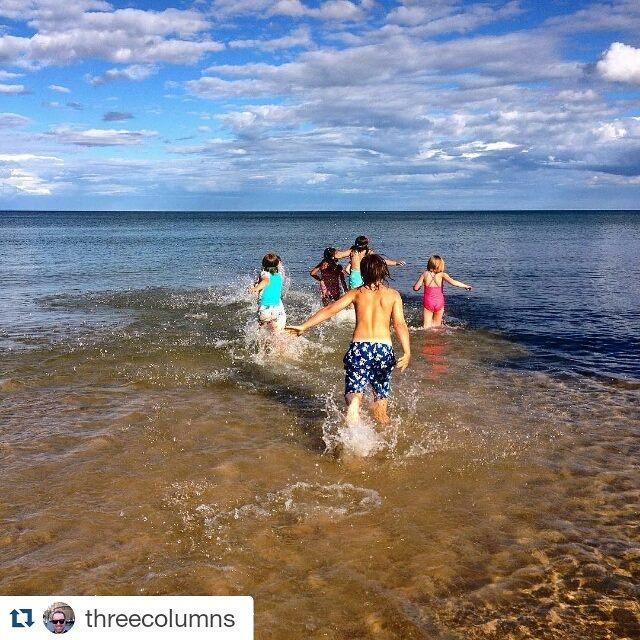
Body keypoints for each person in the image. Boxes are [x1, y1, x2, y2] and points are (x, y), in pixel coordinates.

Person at [287, 254, 410, 426]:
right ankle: (383, 439)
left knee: (354, 390)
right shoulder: (393, 295)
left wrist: (305, 326)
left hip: (360, 347)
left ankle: (354, 405)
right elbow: (400, 324)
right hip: (383, 349)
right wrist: (407, 351)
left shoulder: (356, 293)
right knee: (380, 396)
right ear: (383, 272)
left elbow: (330, 309)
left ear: (363, 273)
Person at [412, 254, 472, 329]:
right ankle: (437, 339)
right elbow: (453, 282)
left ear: (429, 264)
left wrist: (415, 287)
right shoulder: (442, 275)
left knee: (426, 327)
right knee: (437, 326)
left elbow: (416, 288)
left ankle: (427, 339)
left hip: (428, 302)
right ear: (441, 265)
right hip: (439, 302)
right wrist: (466, 286)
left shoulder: (425, 274)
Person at [334, 235, 405, 289]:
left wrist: (332, 252)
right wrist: (395, 263)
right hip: (366, 275)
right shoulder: (368, 252)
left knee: (353, 297)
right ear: (366, 244)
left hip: (355, 275)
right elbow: (381, 261)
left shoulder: (352, 251)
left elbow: (338, 255)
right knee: (367, 294)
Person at [249, 253, 286, 331]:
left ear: (263, 264)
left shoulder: (264, 273)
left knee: (261, 330)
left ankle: (260, 341)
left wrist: (255, 288)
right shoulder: (279, 274)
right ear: (278, 264)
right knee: (276, 333)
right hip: (277, 308)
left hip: (265, 307)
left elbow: (266, 281)